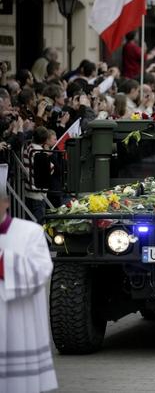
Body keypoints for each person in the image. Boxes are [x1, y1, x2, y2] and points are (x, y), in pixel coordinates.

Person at [0, 163, 58, 392]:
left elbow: (43, 269)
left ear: (5, 203)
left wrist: (5, 263)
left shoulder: (29, 232)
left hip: (16, 323)